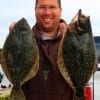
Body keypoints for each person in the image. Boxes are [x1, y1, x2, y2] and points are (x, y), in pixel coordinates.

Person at [9, 0, 74, 100]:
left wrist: (71, 41)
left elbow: (90, 66)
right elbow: (10, 64)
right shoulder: (22, 39)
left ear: (60, 10)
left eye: (52, 7)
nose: (47, 12)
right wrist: (13, 43)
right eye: (42, 7)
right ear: (35, 10)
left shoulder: (72, 40)